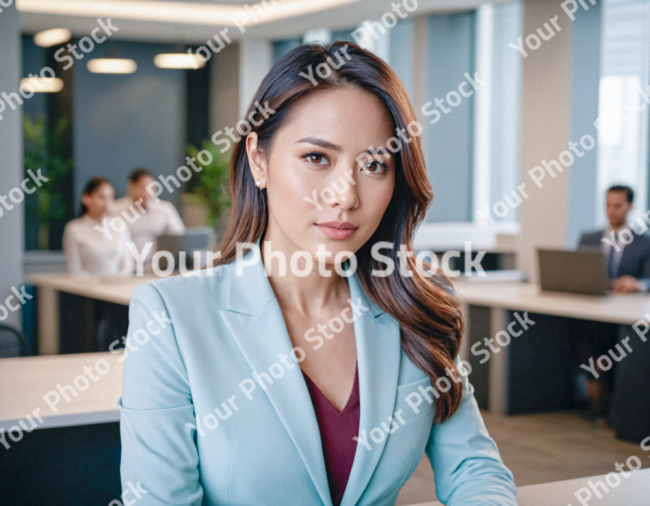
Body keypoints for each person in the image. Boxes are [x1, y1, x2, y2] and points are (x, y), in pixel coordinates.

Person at [119, 42, 517, 505]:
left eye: (373, 165)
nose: (344, 196)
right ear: (258, 160)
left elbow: (474, 468)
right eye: (316, 158)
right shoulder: (172, 317)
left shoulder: (414, 306)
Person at [574, 185, 650, 421]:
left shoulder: (644, 242)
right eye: (608, 205)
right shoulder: (589, 238)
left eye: (618, 205)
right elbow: (577, 272)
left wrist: (637, 284)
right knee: (580, 334)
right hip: (591, 310)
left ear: (630, 206)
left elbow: (648, 279)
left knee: (613, 343)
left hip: (624, 315)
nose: (612, 211)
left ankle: (609, 403)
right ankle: (595, 396)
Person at [111, 168, 185, 271]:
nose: (147, 193)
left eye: (152, 188)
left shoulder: (165, 209)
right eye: (142, 188)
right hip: (127, 270)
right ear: (131, 187)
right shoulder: (116, 210)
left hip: (158, 268)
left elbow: (179, 238)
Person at [63, 177, 134, 276]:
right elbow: (74, 270)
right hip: (85, 288)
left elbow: (127, 265)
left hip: (117, 287)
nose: (107, 202)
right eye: (101, 197)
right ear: (86, 198)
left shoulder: (120, 225)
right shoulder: (74, 228)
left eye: (110, 197)